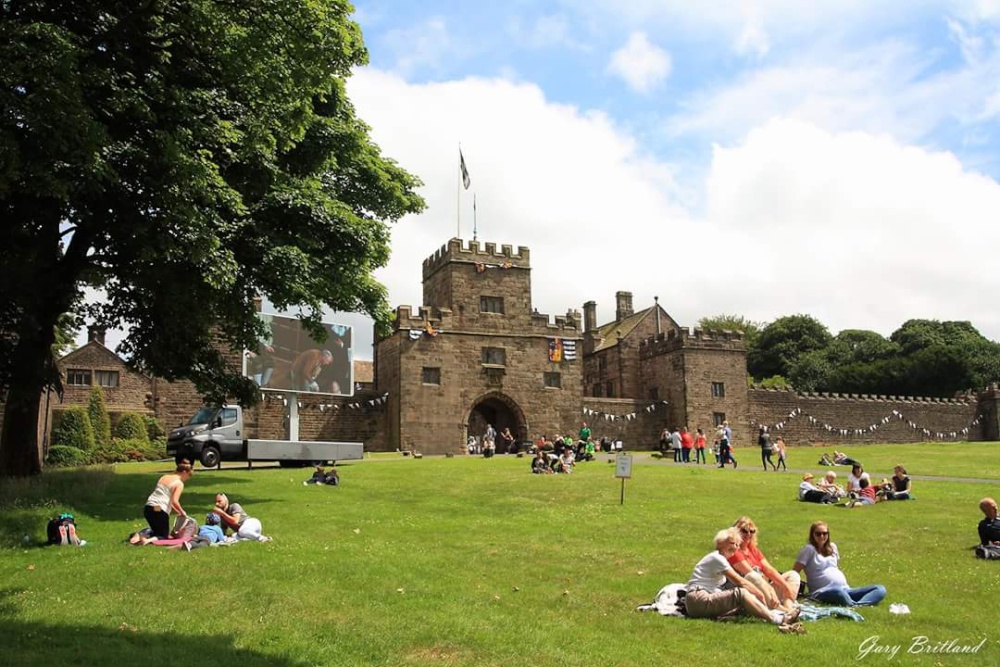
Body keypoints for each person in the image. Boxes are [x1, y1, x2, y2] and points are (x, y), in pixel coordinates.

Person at [684, 528, 801, 629]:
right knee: (741, 593)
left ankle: (780, 611)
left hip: (700, 600)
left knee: (744, 599)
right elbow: (740, 581)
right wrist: (759, 594)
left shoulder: (721, 558)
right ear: (720, 543)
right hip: (698, 599)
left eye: (736, 544)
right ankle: (778, 619)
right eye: (731, 543)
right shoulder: (717, 558)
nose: (735, 547)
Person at [794, 521, 886, 606]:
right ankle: (853, 604)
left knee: (880, 589)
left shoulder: (832, 547)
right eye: (818, 534)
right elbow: (794, 572)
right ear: (812, 535)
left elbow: (834, 568)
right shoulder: (809, 549)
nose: (822, 536)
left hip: (845, 589)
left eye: (825, 533)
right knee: (837, 592)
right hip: (821, 592)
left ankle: (857, 605)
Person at [727, 517, 801, 615]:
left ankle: (787, 607)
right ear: (736, 532)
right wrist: (771, 590)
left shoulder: (752, 550)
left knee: (793, 575)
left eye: (751, 531)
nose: (748, 534)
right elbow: (749, 574)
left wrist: (786, 586)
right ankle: (782, 611)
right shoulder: (734, 551)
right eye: (744, 531)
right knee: (752, 576)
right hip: (748, 593)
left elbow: (769, 570)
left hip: (764, 589)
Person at [143, 461, 193, 539]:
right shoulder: (179, 483)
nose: (188, 478)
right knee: (163, 536)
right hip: (160, 509)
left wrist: (176, 511)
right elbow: (175, 501)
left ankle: (139, 535)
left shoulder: (164, 477)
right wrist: (182, 512)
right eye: (189, 475)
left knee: (156, 531)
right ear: (184, 472)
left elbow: (165, 496)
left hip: (149, 507)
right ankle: (145, 539)